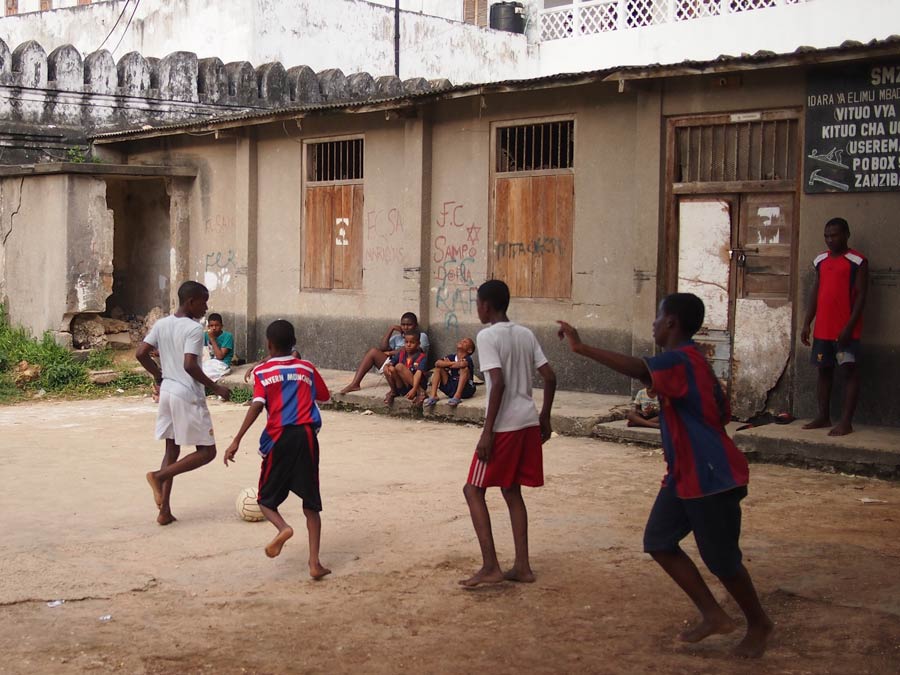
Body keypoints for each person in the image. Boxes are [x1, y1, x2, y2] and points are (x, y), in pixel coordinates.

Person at [557, 293, 773, 659]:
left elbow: (642, 369)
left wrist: (581, 347)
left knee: (721, 560)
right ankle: (713, 613)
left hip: (710, 476)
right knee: (659, 540)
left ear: (671, 322)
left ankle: (759, 623)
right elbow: (721, 412)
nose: (654, 324)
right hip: (687, 473)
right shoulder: (693, 361)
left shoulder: (679, 359)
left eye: (657, 318)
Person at [460, 280, 556, 588]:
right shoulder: (525, 334)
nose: (477, 309)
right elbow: (550, 376)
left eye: (477, 304)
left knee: (473, 490)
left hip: (504, 426)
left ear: (486, 306)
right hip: (527, 420)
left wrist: (487, 432)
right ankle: (522, 566)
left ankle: (490, 565)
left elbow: (497, 383)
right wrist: (544, 416)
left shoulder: (487, 336)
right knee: (512, 491)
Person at [224, 319, 331, 580]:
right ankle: (314, 564)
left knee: (265, 500)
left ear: (268, 344)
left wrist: (237, 439)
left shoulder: (263, 372)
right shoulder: (306, 368)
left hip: (279, 438)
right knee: (311, 504)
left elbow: (257, 405)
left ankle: (283, 528)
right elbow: (324, 395)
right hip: (306, 437)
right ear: (294, 343)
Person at [137, 281, 231, 526]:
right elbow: (190, 365)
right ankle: (158, 476)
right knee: (207, 452)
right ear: (191, 302)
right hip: (186, 394)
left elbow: (141, 353)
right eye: (204, 301)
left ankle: (164, 511)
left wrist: (158, 375)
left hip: (167, 391)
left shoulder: (162, 324)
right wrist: (216, 386)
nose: (206, 307)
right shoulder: (192, 329)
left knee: (172, 450)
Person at [800, 217, 868, 436]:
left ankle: (846, 422)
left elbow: (861, 297)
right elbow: (815, 293)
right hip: (823, 330)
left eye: (835, 235)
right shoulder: (820, 260)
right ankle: (823, 416)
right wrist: (806, 323)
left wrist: (849, 327)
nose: (830, 240)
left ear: (846, 234)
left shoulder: (857, 261)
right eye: (827, 236)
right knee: (824, 371)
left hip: (846, 332)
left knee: (849, 372)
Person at [339, 312, 429, 394]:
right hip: (394, 364)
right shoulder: (397, 337)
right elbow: (383, 348)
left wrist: (390, 353)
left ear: (415, 325)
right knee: (373, 352)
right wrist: (391, 329)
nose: (405, 327)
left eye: (409, 325)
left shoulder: (421, 336)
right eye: (403, 324)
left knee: (398, 366)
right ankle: (355, 384)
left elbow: (414, 350)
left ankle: (414, 390)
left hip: (409, 368)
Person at [423, 337, 476, 408]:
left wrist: (447, 364)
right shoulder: (452, 357)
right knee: (438, 369)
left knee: (464, 369)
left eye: (465, 342)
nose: (462, 342)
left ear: (469, 350)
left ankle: (457, 396)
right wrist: (452, 364)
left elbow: (462, 364)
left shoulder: (468, 358)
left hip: (465, 389)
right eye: (461, 340)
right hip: (451, 386)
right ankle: (433, 395)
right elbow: (437, 363)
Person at [383, 331, 428, 406]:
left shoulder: (422, 357)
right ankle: (394, 391)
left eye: (412, 343)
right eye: (406, 342)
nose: (408, 345)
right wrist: (386, 366)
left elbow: (418, 373)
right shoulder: (401, 353)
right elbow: (391, 363)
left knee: (399, 366)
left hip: (417, 384)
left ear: (418, 344)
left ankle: (421, 392)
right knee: (389, 368)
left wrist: (414, 389)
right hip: (403, 385)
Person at [202, 313, 234, 382]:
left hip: (222, 365)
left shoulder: (227, 336)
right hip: (210, 362)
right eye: (211, 326)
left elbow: (220, 356)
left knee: (205, 373)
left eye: (217, 325)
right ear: (208, 327)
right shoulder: (206, 335)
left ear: (221, 326)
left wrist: (212, 339)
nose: (214, 328)